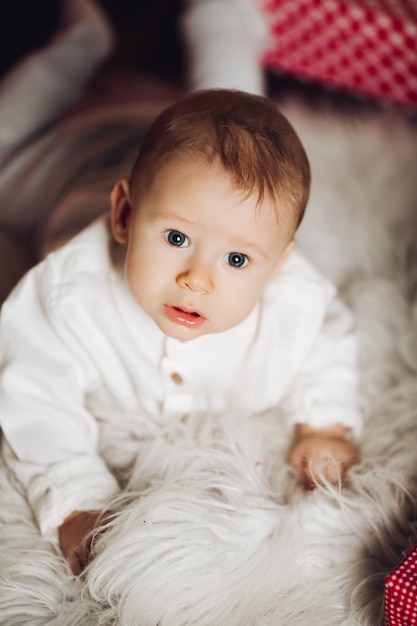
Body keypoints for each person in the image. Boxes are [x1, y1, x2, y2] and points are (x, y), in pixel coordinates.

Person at [0, 88, 361, 575]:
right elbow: (33, 392)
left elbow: (327, 344)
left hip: (165, 152)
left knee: (223, 137)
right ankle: (73, 55)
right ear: (125, 215)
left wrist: (325, 423)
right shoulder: (69, 296)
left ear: (278, 266)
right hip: (77, 159)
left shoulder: (294, 305)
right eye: (176, 238)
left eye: (237, 260)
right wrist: (75, 500)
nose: (197, 279)